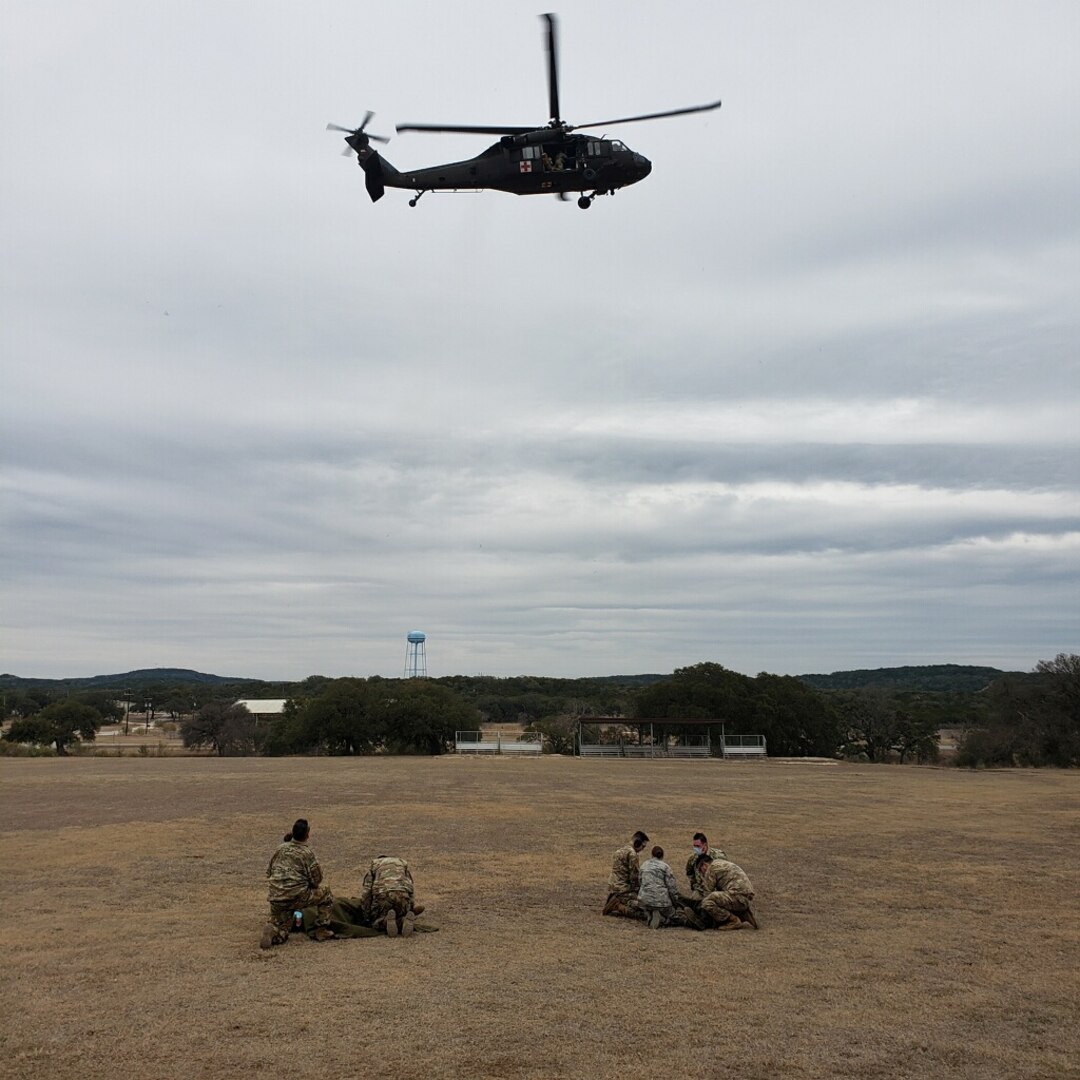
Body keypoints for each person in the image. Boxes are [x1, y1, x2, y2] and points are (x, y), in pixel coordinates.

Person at [260, 818, 335, 948]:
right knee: (326, 894)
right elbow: (317, 879)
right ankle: (321, 930)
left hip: (276, 896)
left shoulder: (280, 849)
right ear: (307, 835)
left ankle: (273, 930)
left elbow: (269, 872)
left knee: (283, 928)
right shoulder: (306, 853)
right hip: (297, 895)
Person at [360, 855, 422, 938]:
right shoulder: (402, 863)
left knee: (375, 922)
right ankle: (403, 920)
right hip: (403, 896)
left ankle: (385, 921)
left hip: (383, 896)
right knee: (401, 913)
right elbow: (410, 889)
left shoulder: (374, 865)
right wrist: (410, 908)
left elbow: (366, 893)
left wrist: (367, 917)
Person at [696, 857, 759, 930]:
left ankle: (733, 920)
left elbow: (707, 892)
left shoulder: (711, 869)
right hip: (744, 897)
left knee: (707, 902)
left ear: (704, 865)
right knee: (718, 897)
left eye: (700, 870)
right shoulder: (720, 863)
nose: (701, 873)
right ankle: (743, 913)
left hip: (737, 896)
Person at [602, 830, 649, 920]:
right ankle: (617, 906)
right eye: (643, 846)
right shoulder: (632, 854)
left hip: (614, 886)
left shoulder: (620, 851)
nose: (643, 849)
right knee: (642, 907)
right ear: (637, 843)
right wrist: (639, 891)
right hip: (624, 889)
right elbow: (634, 877)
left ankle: (615, 899)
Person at [637, 846, 684, 928]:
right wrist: (675, 903)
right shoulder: (665, 867)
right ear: (662, 856)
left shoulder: (644, 865)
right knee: (674, 916)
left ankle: (650, 915)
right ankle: (663, 919)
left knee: (646, 908)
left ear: (652, 855)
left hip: (645, 900)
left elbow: (640, 882)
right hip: (662, 902)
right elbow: (672, 889)